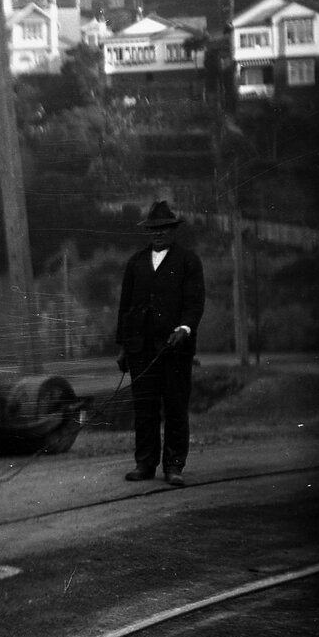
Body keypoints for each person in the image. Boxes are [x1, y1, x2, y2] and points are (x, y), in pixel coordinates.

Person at [116, 200, 206, 486]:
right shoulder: (136, 263)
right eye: (154, 229)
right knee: (145, 409)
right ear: (148, 231)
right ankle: (145, 464)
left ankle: (174, 466)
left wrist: (184, 328)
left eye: (164, 228)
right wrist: (123, 346)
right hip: (140, 350)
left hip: (175, 350)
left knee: (176, 408)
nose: (158, 233)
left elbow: (195, 303)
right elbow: (125, 307)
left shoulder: (188, 261)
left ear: (173, 230)